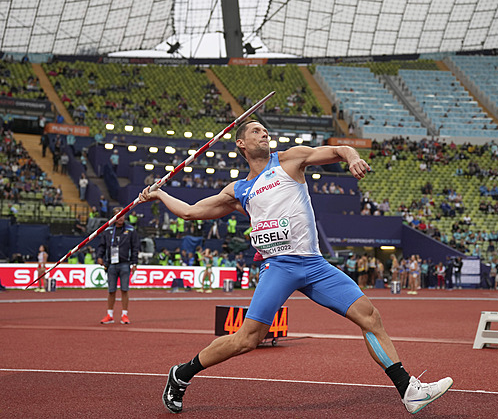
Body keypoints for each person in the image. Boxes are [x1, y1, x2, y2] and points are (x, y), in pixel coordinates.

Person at [138, 121, 452, 414]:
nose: (264, 134)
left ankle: (408, 390)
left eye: (265, 131)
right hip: (278, 267)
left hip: (314, 264)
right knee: (248, 338)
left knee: (369, 316)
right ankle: (182, 373)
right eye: (257, 131)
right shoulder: (238, 191)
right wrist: (160, 193)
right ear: (241, 143)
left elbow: (338, 150)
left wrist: (352, 157)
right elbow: (191, 212)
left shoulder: (289, 160)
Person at [96, 207, 140, 325]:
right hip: (111, 264)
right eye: (118, 215)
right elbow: (102, 245)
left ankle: (124, 314)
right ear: (113, 217)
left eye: (122, 215)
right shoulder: (107, 230)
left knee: (124, 290)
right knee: (111, 290)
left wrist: (134, 263)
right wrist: (99, 256)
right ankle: (109, 315)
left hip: (125, 263)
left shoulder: (131, 230)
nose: (120, 218)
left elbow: (135, 247)